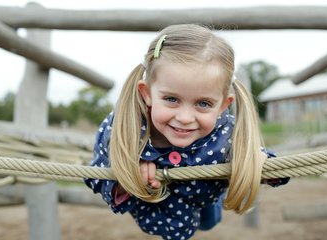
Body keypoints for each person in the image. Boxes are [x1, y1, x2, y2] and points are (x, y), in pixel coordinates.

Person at [84, 24, 288, 240]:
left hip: (204, 199)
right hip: (152, 211)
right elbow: (96, 174)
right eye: (171, 99)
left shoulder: (224, 134)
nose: (184, 117)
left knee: (209, 221)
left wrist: (259, 164)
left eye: (203, 103)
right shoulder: (123, 127)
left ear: (222, 106)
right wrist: (128, 177)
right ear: (147, 93)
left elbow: (277, 170)